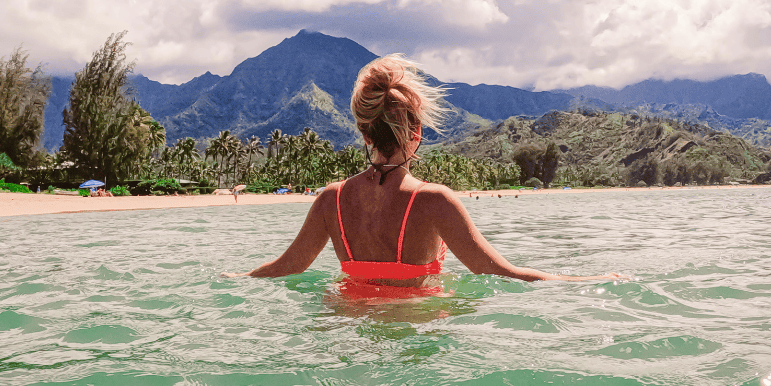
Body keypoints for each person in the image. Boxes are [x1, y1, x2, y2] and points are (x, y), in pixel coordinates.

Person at [224, 55, 622, 288]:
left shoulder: (332, 200)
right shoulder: (433, 201)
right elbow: (501, 272)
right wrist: (587, 282)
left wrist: (235, 277)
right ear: (415, 132)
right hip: (416, 330)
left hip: (346, 330)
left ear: (364, 133)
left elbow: (285, 267)